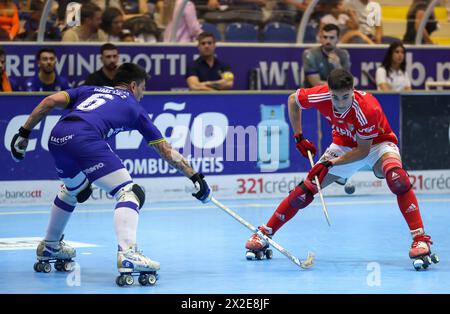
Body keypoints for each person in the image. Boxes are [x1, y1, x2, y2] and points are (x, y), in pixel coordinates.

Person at [9, 63, 212, 285]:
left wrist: (24, 133)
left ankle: (50, 246)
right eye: (143, 89)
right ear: (134, 86)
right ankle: (128, 254)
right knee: (129, 192)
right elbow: (166, 150)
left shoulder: (90, 89)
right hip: (85, 137)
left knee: (72, 191)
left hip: (57, 137)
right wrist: (194, 176)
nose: (142, 95)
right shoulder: (134, 107)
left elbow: (48, 102)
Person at [244, 68, 438, 270]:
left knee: (397, 179)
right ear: (329, 91)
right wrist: (298, 137)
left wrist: (331, 164)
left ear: (353, 90)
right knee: (303, 191)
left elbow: (362, 151)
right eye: (335, 97)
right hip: (342, 146)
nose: (340, 102)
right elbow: (293, 100)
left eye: (345, 96)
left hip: (377, 145)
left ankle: (420, 239)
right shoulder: (322, 95)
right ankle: (264, 233)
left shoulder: (367, 109)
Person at [302, 23, 351, 88]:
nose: (328, 41)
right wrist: (338, 84)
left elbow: (347, 82)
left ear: (338, 38)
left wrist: (338, 66)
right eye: (325, 37)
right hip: (314, 94)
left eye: (331, 38)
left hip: (336, 94)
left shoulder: (344, 54)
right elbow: (315, 83)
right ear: (320, 38)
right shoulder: (310, 54)